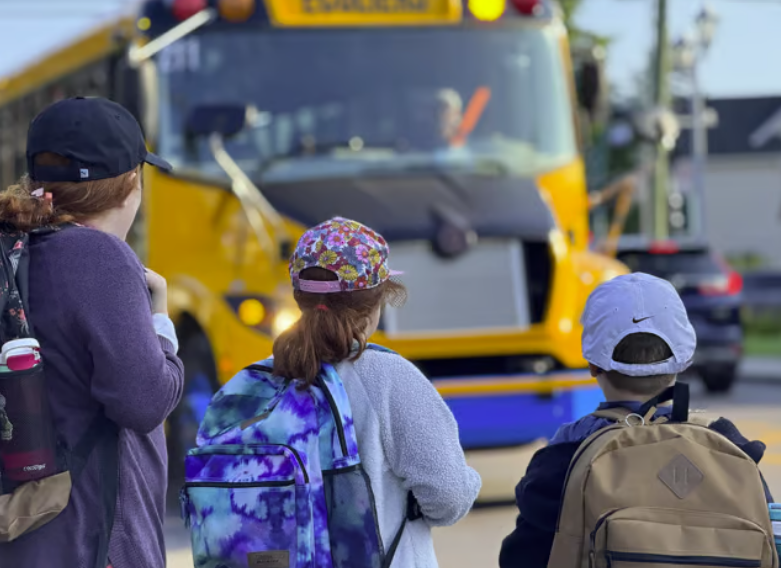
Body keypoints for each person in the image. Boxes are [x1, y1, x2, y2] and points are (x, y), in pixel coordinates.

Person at [0, 97, 185, 568]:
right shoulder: (101, 258)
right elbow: (143, 401)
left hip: (21, 530)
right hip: (92, 540)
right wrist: (160, 326)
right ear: (130, 184)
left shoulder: (12, 249)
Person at [499, 272, 772, 568]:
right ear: (685, 359)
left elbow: (521, 556)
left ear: (592, 363)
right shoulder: (730, 445)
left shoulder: (568, 452)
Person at [274, 217, 482, 567]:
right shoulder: (389, 377)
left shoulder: (262, 378)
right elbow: (449, 496)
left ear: (300, 298)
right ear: (375, 304)